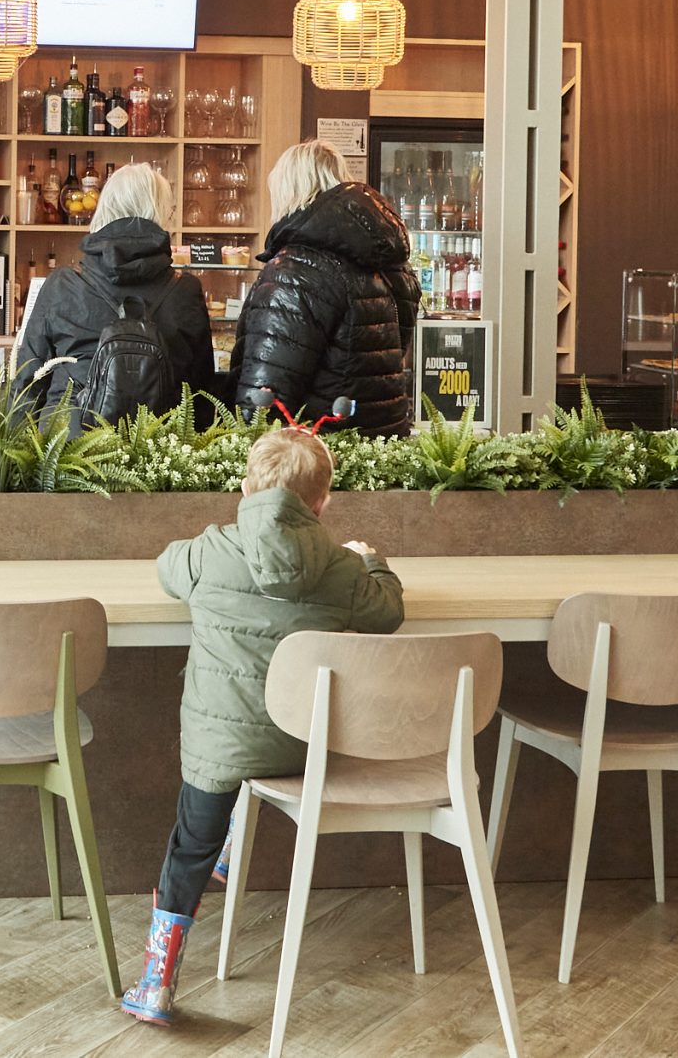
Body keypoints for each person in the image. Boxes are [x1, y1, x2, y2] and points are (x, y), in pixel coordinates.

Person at [119, 427, 405, 1026]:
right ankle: (231, 839)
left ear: (246, 489)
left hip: (220, 750)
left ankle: (155, 983)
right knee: (259, 755)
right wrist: (373, 557)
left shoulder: (210, 550)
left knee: (189, 845)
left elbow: (165, 567)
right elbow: (389, 611)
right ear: (322, 503)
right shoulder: (343, 568)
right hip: (302, 750)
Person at [226, 140, 421, 433]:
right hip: (383, 443)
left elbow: (265, 396)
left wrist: (248, 447)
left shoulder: (296, 269)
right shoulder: (391, 262)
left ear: (287, 190)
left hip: (318, 447)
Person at [14, 162, 218, 417]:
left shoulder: (63, 285)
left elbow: (27, 385)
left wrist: (12, 451)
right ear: (160, 212)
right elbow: (202, 394)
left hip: (68, 447)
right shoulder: (185, 290)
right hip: (160, 449)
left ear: (105, 208)